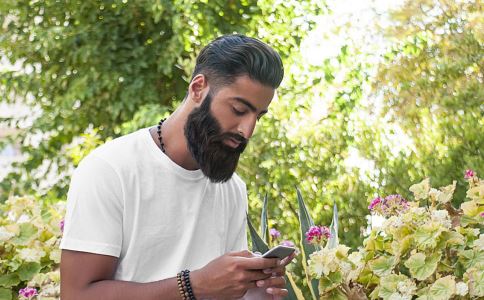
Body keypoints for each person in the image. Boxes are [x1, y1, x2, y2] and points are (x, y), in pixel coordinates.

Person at [60, 34, 295, 299]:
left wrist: (255, 289)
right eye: (239, 110)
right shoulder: (110, 170)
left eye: (258, 117)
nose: (247, 130)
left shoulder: (232, 188)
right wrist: (193, 286)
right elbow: (77, 294)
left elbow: (222, 292)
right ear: (198, 89)